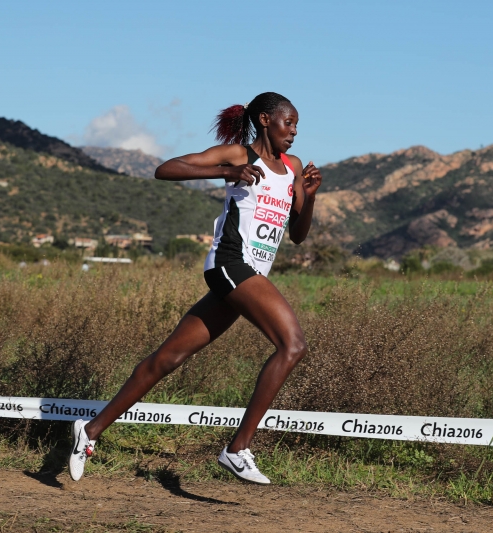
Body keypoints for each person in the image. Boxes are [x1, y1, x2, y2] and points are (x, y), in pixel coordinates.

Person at [68, 92, 322, 485]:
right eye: (289, 123)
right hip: (230, 265)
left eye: (297, 126)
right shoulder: (239, 157)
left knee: (166, 359)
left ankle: (90, 431)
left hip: (250, 276)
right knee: (293, 345)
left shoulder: (293, 167)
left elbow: (299, 235)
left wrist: (311, 197)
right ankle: (237, 449)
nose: (294, 132)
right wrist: (225, 174)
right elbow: (165, 169)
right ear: (266, 120)